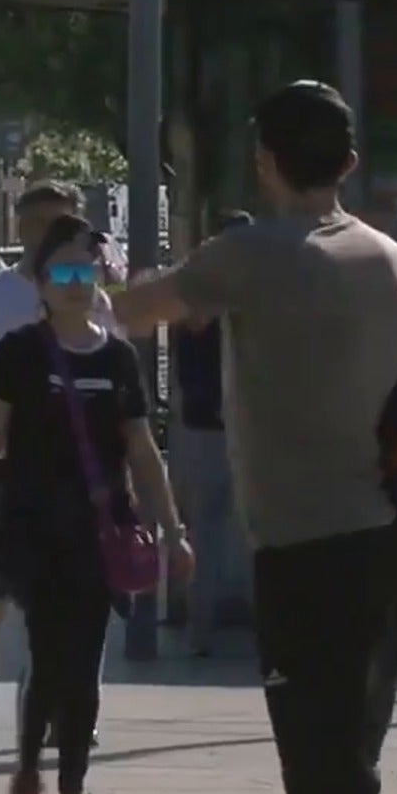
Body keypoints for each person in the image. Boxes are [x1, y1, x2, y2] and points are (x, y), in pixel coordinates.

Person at [114, 80, 397, 794]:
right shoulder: (393, 261)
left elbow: (134, 313)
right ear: (349, 162)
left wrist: (88, 285)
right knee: (349, 775)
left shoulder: (252, 253)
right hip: (387, 546)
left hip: (304, 555)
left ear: (265, 161)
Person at [0, 213, 190, 794]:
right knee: (51, 657)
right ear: (40, 283)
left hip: (97, 528)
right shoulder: (18, 354)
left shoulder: (118, 358)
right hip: (30, 526)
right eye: (63, 273)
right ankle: (30, 772)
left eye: (87, 271)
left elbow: (142, 449)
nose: (77, 284)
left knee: (83, 664)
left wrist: (172, 528)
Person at [0, 181, 116, 738]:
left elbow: (113, 372)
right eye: (37, 223)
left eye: (61, 223)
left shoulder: (93, 297)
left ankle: (70, 706)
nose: (48, 234)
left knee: (78, 593)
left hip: (79, 474)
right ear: (19, 228)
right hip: (9, 467)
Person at [169, 208, 255, 653]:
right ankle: (213, 624)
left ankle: (201, 628)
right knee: (245, 529)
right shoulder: (254, 299)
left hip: (208, 426)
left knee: (208, 528)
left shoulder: (196, 300)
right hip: (231, 428)